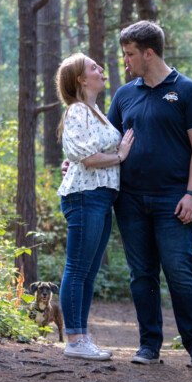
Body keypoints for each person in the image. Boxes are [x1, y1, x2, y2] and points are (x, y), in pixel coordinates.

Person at [107, 20, 192, 368]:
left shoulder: (188, 91)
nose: (126, 62)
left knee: (179, 269)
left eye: (130, 54)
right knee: (142, 274)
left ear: (148, 53)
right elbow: (106, 142)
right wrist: (75, 164)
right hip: (131, 200)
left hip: (173, 199)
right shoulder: (125, 95)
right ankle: (149, 346)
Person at [56, 53, 135, 360]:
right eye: (93, 67)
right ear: (80, 79)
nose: (100, 70)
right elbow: (87, 159)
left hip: (101, 196)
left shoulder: (95, 111)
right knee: (77, 268)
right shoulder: (77, 111)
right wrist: (120, 155)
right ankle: (75, 339)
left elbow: (80, 156)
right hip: (85, 195)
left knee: (88, 271)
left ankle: (82, 336)